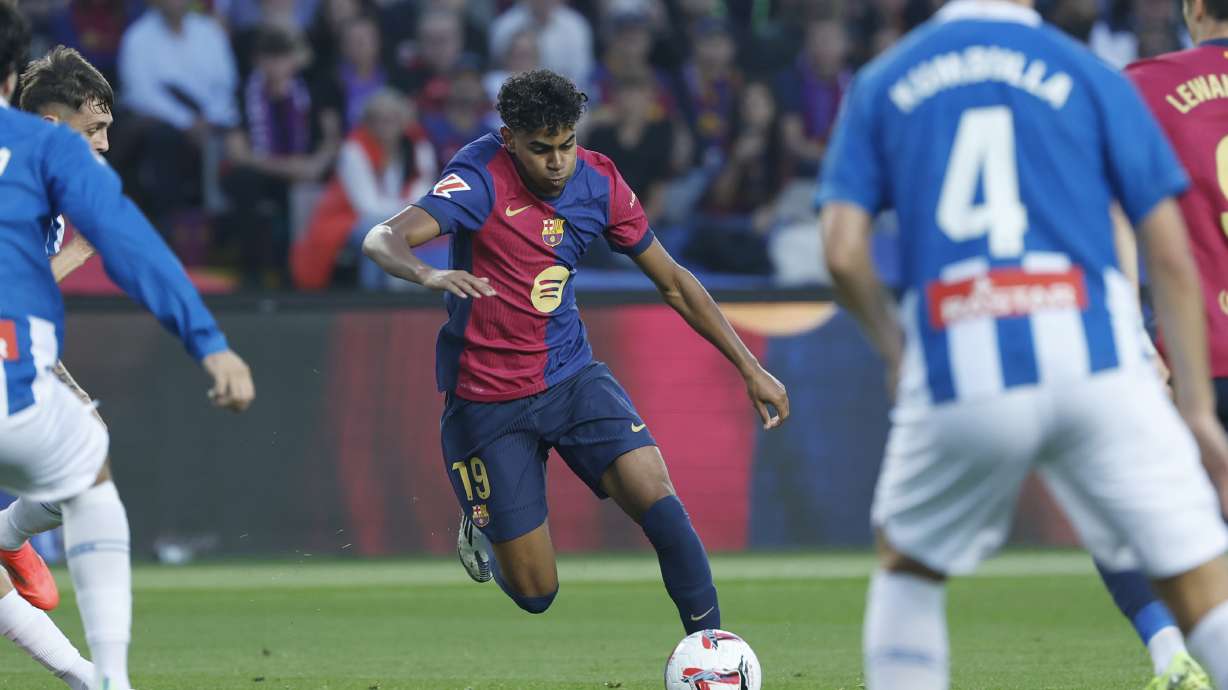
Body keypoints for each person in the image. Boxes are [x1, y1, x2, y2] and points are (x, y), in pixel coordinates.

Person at [817, 1, 1228, 688]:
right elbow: (1169, 256)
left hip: (960, 363)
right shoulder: (1092, 75)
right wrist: (1195, 411)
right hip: (1096, 365)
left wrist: (896, 350)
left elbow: (840, 251)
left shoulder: (886, 79)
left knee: (908, 570)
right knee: (1200, 586)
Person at [362, 69, 789, 633]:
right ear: (510, 139)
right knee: (537, 593)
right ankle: (485, 525)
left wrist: (749, 367)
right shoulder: (479, 176)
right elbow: (381, 237)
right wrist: (426, 273)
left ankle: (712, 650)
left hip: (571, 377)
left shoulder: (600, 182)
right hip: (487, 402)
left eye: (566, 144)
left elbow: (673, 282)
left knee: (659, 502)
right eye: (541, 149)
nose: (558, 162)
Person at [0, 5, 256, 689]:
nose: (106, 145)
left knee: (86, 452)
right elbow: (137, 248)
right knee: (89, 467)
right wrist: (209, 343)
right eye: (96, 129)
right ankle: (107, 677)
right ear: (49, 119)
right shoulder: (42, 154)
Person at [1080, 0, 1228, 687]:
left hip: (1194, 353)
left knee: (1114, 499)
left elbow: (1109, 212)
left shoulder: (1145, 84)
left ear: (1193, 8)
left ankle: (1173, 654)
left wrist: (1134, 340)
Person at [292, 89, 436, 289]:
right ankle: (373, 293)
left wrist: (409, 217)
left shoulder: (417, 147)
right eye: (378, 119)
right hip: (347, 221)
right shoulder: (353, 150)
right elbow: (368, 206)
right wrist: (408, 216)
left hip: (399, 219)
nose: (385, 126)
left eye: (392, 119)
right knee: (378, 233)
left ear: (403, 122)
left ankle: (412, 290)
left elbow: (424, 195)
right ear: (368, 123)